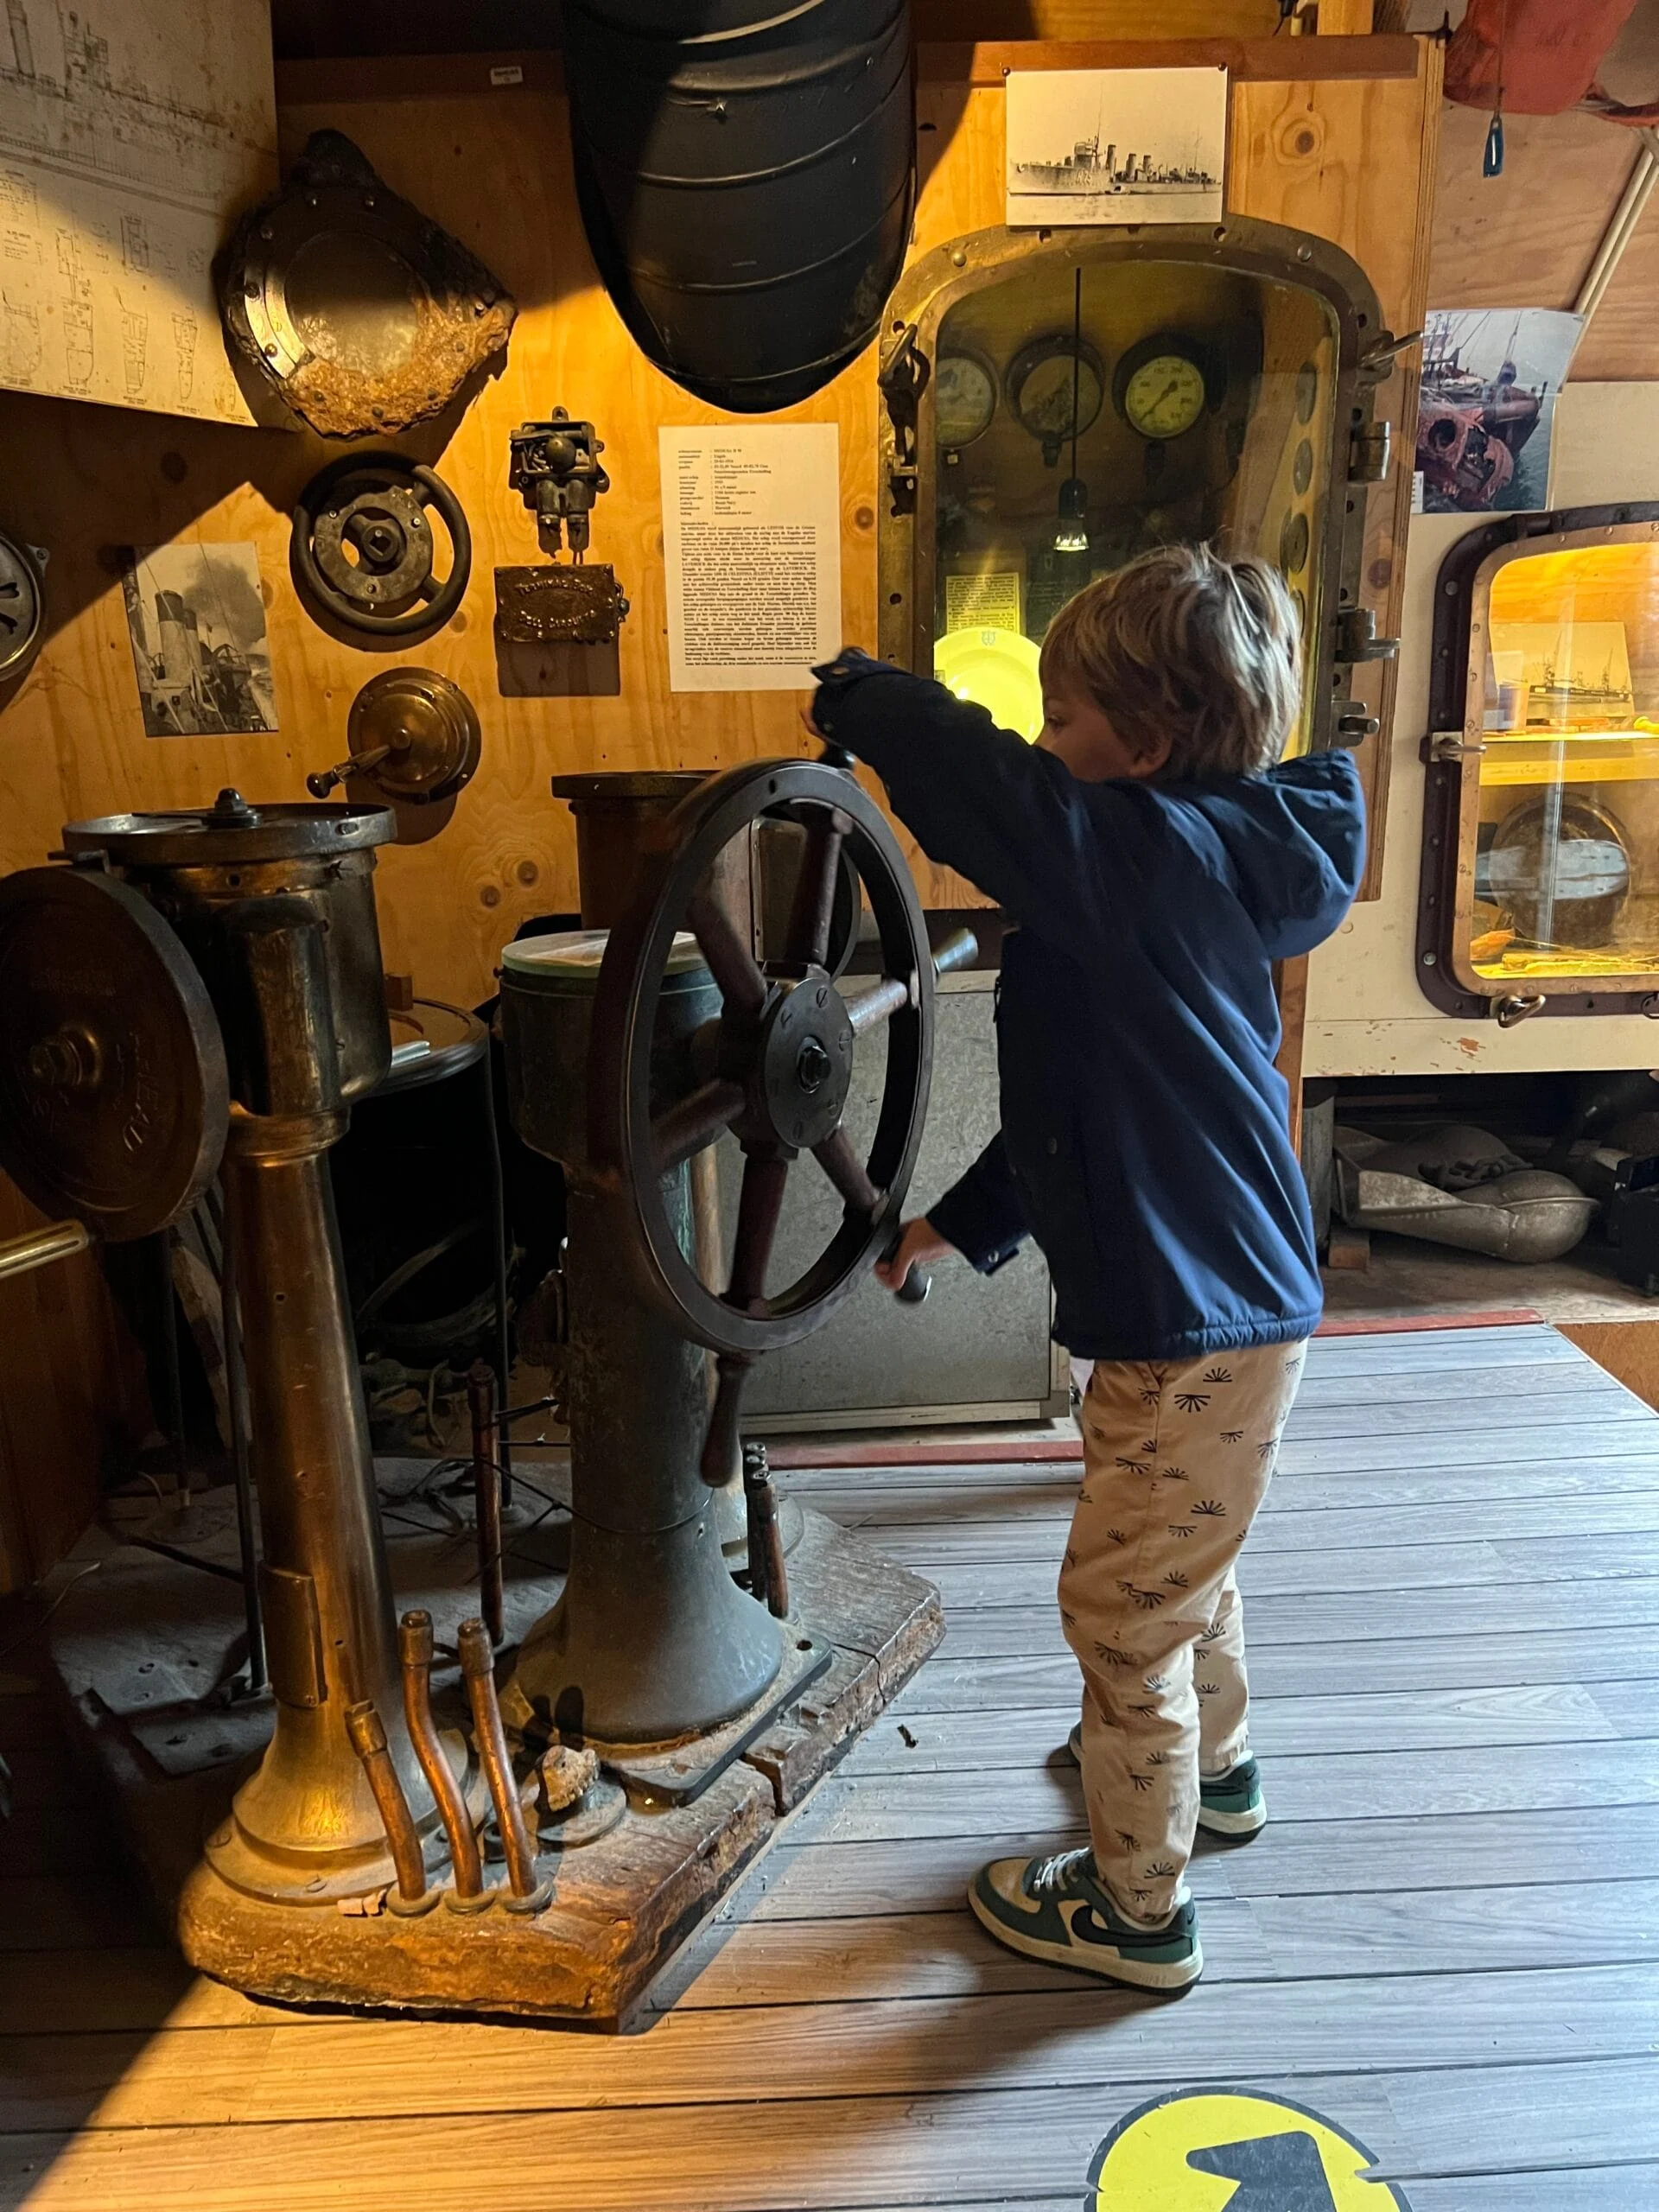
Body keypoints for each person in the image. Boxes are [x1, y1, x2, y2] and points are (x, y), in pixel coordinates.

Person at [806, 543, 1364, 1993]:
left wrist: (876, 700)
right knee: (1187, 1560)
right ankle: (1218, 1776)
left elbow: (997, 796)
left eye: (1065, 721)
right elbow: (1086, 1116)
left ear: (1149, 748)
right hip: (1224, 1302)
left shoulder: (1146, 858)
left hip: (1193, 1320)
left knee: (1122, 1618)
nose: (1044, 748)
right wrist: (956, 1223)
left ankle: (1135, 1911)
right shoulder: (1187, 879)